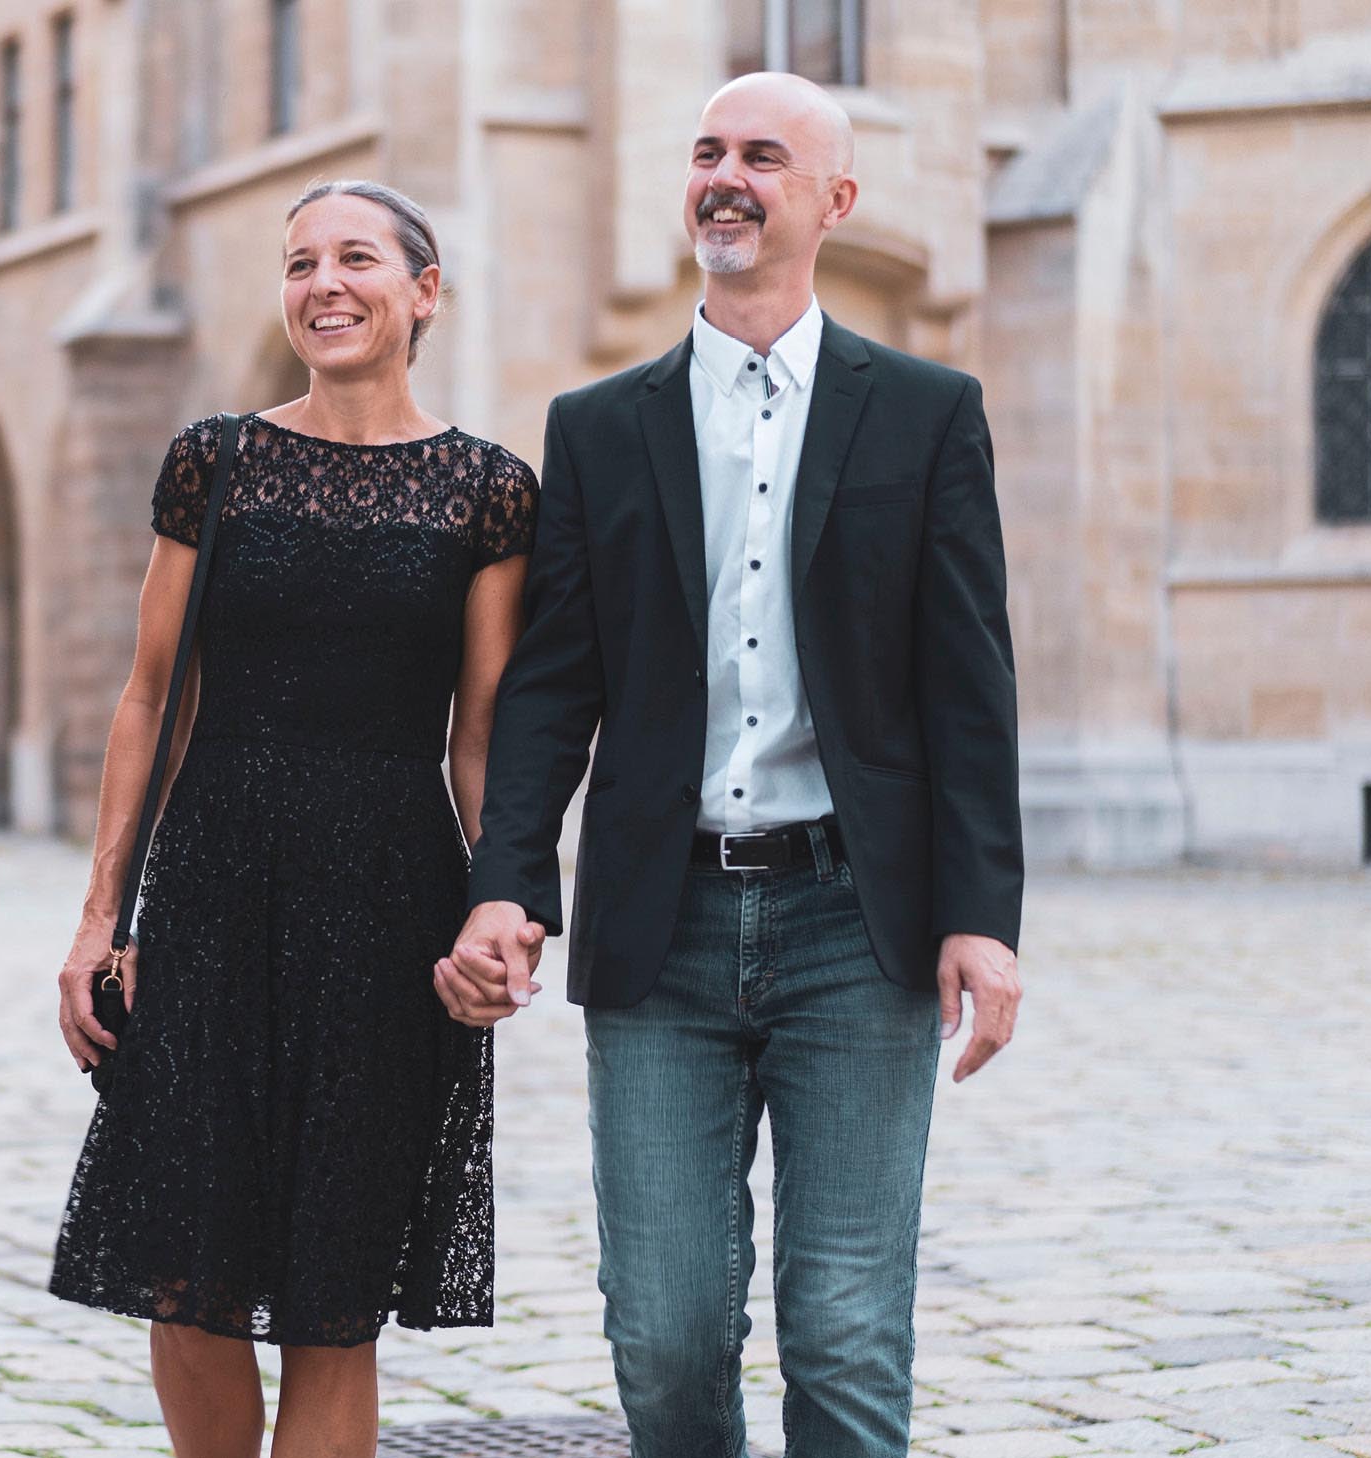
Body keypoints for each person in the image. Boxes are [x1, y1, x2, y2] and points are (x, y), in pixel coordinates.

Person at [439, 72, 1027, 1458]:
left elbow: (969, 686)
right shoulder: (597, 426)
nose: (728, 176)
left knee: (844, 1322)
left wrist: (982, 919)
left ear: (836, 200)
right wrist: (506, 880)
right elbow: (549, 687)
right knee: (662, 1327)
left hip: (854, 924)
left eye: (764, 157)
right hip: (663, 923)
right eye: (708, 151)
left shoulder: (927, 413)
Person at [48, 179, 537, 1458]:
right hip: (210, 893)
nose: (324, 282)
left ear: (423, 290)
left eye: (356, 258)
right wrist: (102, 916)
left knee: (335, 1297)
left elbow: (478, 734)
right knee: (184, 1267)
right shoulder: (215, 463)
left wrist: (502, 907)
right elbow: (150, 696)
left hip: (389, 906)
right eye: (299, 262)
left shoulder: (487, 491)